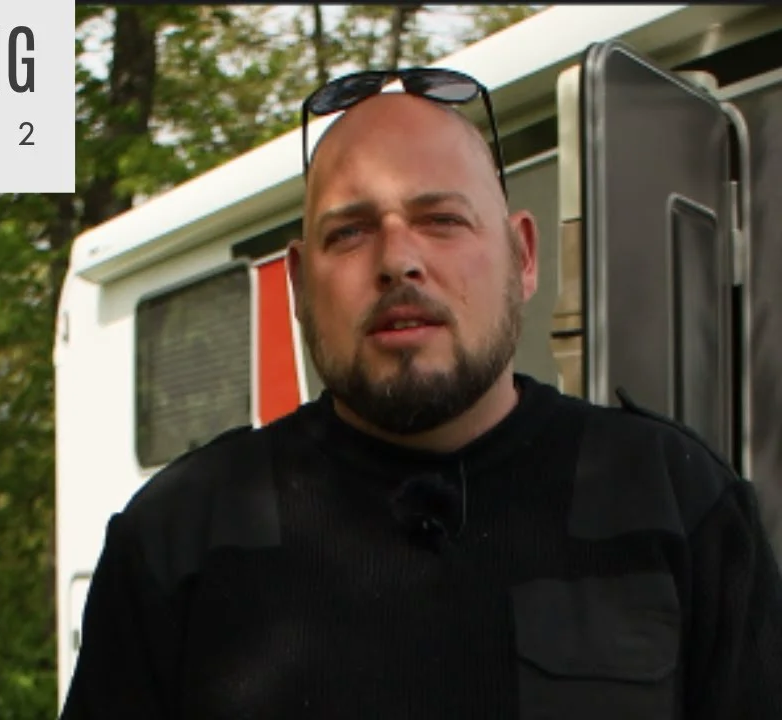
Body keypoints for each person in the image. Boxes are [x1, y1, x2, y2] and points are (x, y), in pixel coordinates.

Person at [59, 68, 782, 719]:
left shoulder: (678, 502)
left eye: (442, 220)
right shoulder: (178, 540)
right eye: (350, 232)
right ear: (299, 286)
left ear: (524, 256)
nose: (399, 260)